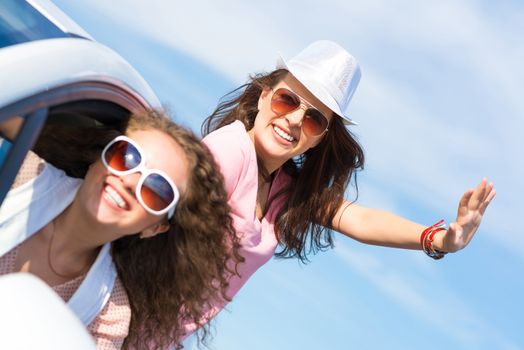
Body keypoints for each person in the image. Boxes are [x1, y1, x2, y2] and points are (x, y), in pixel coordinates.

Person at [199, 40, 496, 327]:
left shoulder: (286, 189)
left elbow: (361, 220)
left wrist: (442, 240)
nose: (294, 120)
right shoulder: (230, 150)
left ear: (320, 138)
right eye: (286, 100)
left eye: (314, 119)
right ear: (264, 95)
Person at [0, 110, 242, 349]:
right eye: (126, 156)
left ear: (155, 227)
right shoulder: (17, 173)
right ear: (99, 156)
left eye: (156, 190)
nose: (129, 181)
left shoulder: (108, 315)